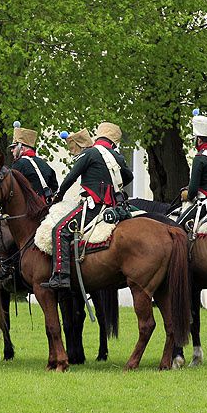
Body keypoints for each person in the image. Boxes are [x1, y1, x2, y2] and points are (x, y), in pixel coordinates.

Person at [42, 122, 133, 289]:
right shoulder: (118, 157)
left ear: (98, 137)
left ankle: (61, 276)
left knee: (60, 230)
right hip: (115, 206)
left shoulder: (90, 153)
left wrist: (59, 196)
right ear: (113, 142)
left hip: (94, 207)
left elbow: (71, 177)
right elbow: (129, 177)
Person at [8, 121, 57, 204]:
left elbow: (10, 188)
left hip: (30, 208)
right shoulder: (43, 162)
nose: (11, 150)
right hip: (47, 206)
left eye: (14, 147)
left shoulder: (19, 164)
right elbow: (54, 186)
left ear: (22, 148)